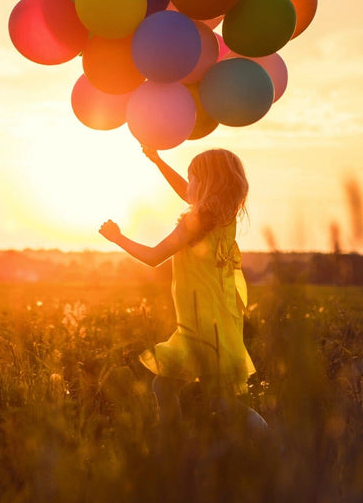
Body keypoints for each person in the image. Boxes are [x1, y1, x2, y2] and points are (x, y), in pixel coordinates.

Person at [99, 147, 257, 428]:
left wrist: (118, 238)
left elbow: (153, 256)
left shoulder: (195, 222)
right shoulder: (223, 217)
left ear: (208, 183)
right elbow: (187, 194)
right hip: (213, 316)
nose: (189, 184)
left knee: (218, 400)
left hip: (201, 321)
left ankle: (270, 441)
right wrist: (158, 161)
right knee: (166, 387)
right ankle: (173, 444)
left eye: (193, 177)